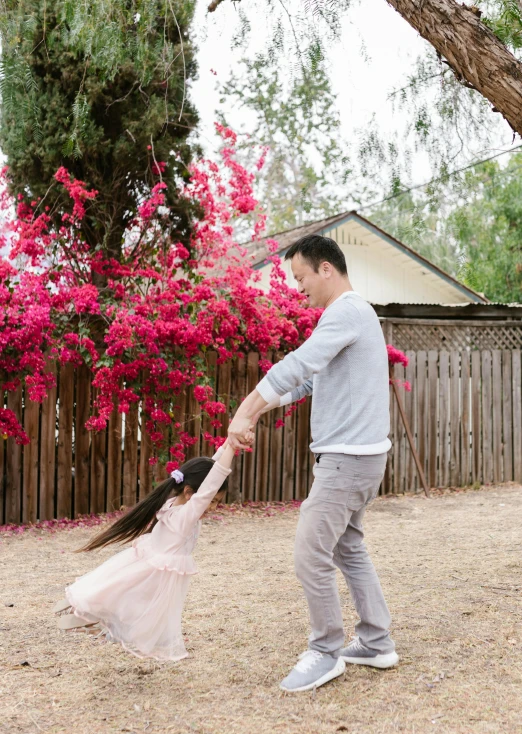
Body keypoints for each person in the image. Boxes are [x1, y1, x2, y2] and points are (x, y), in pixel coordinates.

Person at [227, 233, 398, 692]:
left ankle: (325, 652)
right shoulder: (349, 318)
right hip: (360, 459)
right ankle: (376, 642)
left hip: (346, 461)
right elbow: (305, 384)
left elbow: (299, 364)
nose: (298, 286)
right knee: (348, 548)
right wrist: (259, 411)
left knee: (310, 552)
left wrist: (245, 409)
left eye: (301, 276)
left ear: (326, 268)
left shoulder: (347, 311)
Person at [53, 441, 236, 662]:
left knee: (121, 595)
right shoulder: (186, 515)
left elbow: (212, 467)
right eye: (213, 501)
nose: (214, 507)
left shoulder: (174, 501)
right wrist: (233, 447)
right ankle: (91, 616)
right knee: (134, 609)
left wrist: (230, 442)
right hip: (156, 574)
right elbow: (212, 480)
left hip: (149, 563)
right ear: (190, 493)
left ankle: (91, 617)